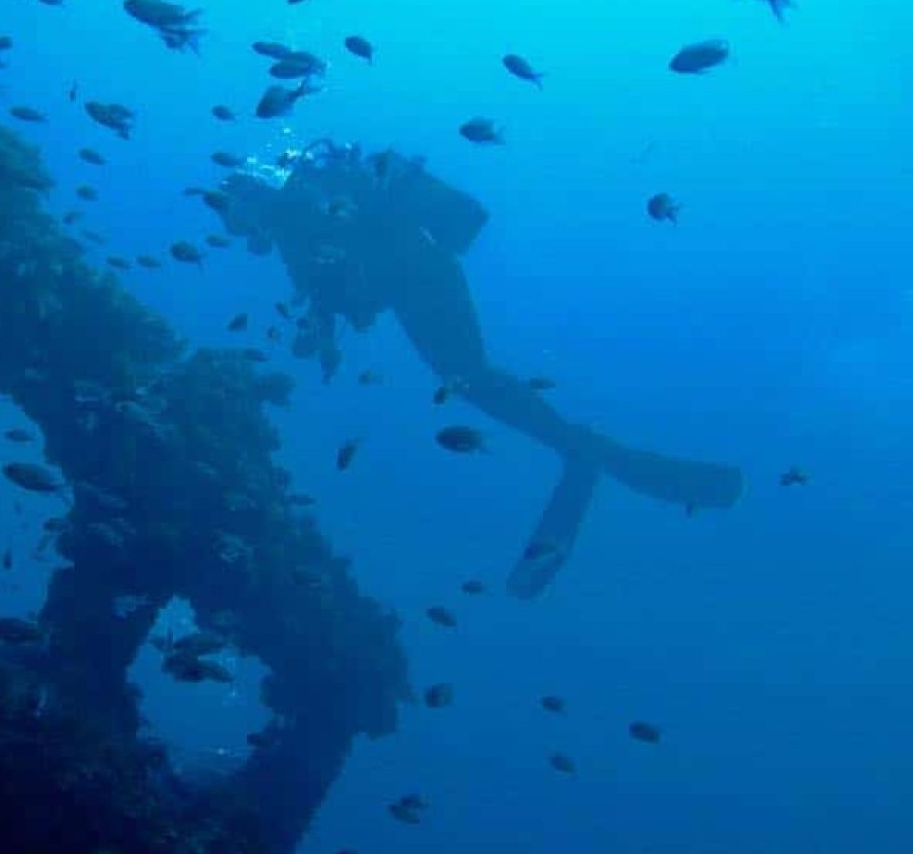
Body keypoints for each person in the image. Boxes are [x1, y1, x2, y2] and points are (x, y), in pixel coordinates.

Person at [219, 141, 743, 597]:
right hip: (423, 279)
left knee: (470, 378)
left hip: (421, 282)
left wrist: (328, 320)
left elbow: (353, 283)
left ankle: (583, 449)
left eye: (238, 220)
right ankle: (580, 447)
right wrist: (324, 326)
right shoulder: (301, 218)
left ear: (250, 200)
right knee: (473, 379)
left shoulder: (299, 211)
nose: (244, 235)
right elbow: (343, 292)